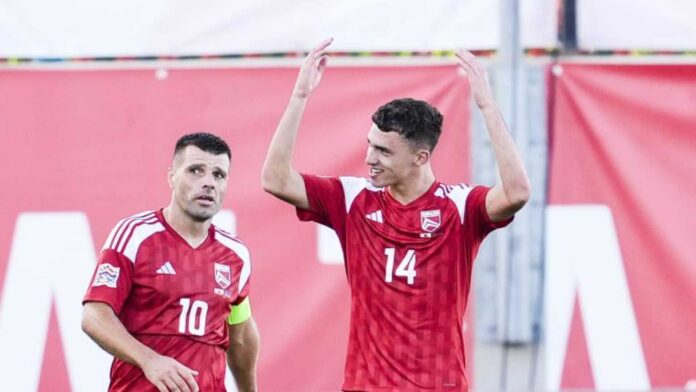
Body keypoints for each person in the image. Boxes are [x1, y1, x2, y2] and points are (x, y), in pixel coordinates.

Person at [262, 39, 531, 391]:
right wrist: (299, 97)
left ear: (420, 157)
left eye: (383, 151)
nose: (370, 158)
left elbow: (517, 192)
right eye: (370, 144)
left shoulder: (459, 208)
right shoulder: (353, 199)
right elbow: (275, 179)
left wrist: (487, 106)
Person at [82, 132, 259, 392]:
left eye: (218, 175)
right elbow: (94, 316)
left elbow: (241, 337)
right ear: (171, 177)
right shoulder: (135, 235)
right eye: (195, 170)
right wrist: (149, 361)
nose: (208, 183)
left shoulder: (235, 255)